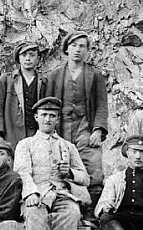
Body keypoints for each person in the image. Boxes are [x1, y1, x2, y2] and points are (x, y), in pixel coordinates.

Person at [13, 97, 90, 230]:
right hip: (38, 192)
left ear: (58, 120)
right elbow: (22, 172)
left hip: (63, 193)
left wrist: (70, 173)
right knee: (34, 214)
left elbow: (85, 178)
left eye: (52, 116)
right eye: (44, 115)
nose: (48, 119)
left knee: (72, 213)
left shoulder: (68, 146)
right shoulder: (26, 144)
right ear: (36, 118)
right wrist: (30, 193)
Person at [44, 31, 108, 213]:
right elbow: (47, 105)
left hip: (85, 128)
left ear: (87, 51)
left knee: (92, 168)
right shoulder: (55, 75)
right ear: (66, 49)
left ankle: (92, 213)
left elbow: (102, 105)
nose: (77, 50)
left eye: (82, 46)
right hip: (62, 128)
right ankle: (66, 209)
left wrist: (98, 130)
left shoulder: (94, 75)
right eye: (73, 46)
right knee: (61, 167)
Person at [0, 41, 47, 150]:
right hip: (12, 134)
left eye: (32, 55)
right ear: (18, 58)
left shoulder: (44, 82)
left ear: (38, 59)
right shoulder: (7, 80)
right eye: (24, 55)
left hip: (37, 134)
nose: (28, 58)